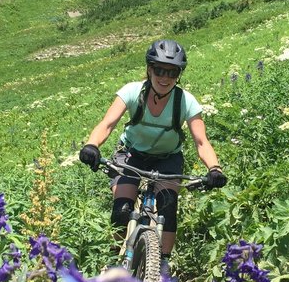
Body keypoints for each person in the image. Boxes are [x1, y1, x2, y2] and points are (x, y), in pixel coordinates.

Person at [79, 39, 227, 267]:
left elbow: (201, 141)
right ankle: (113, 261)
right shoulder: (131, 92)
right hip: (132, 155)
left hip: (168, 159)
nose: (164, 77)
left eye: (172, 72)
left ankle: (163, 263)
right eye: (159, 70)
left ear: (179, 74)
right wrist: (92, 145)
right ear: (149, 69)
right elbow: (107, 124)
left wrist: (214, 169)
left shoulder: (186, 101)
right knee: (122, 209)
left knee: (168, 208)